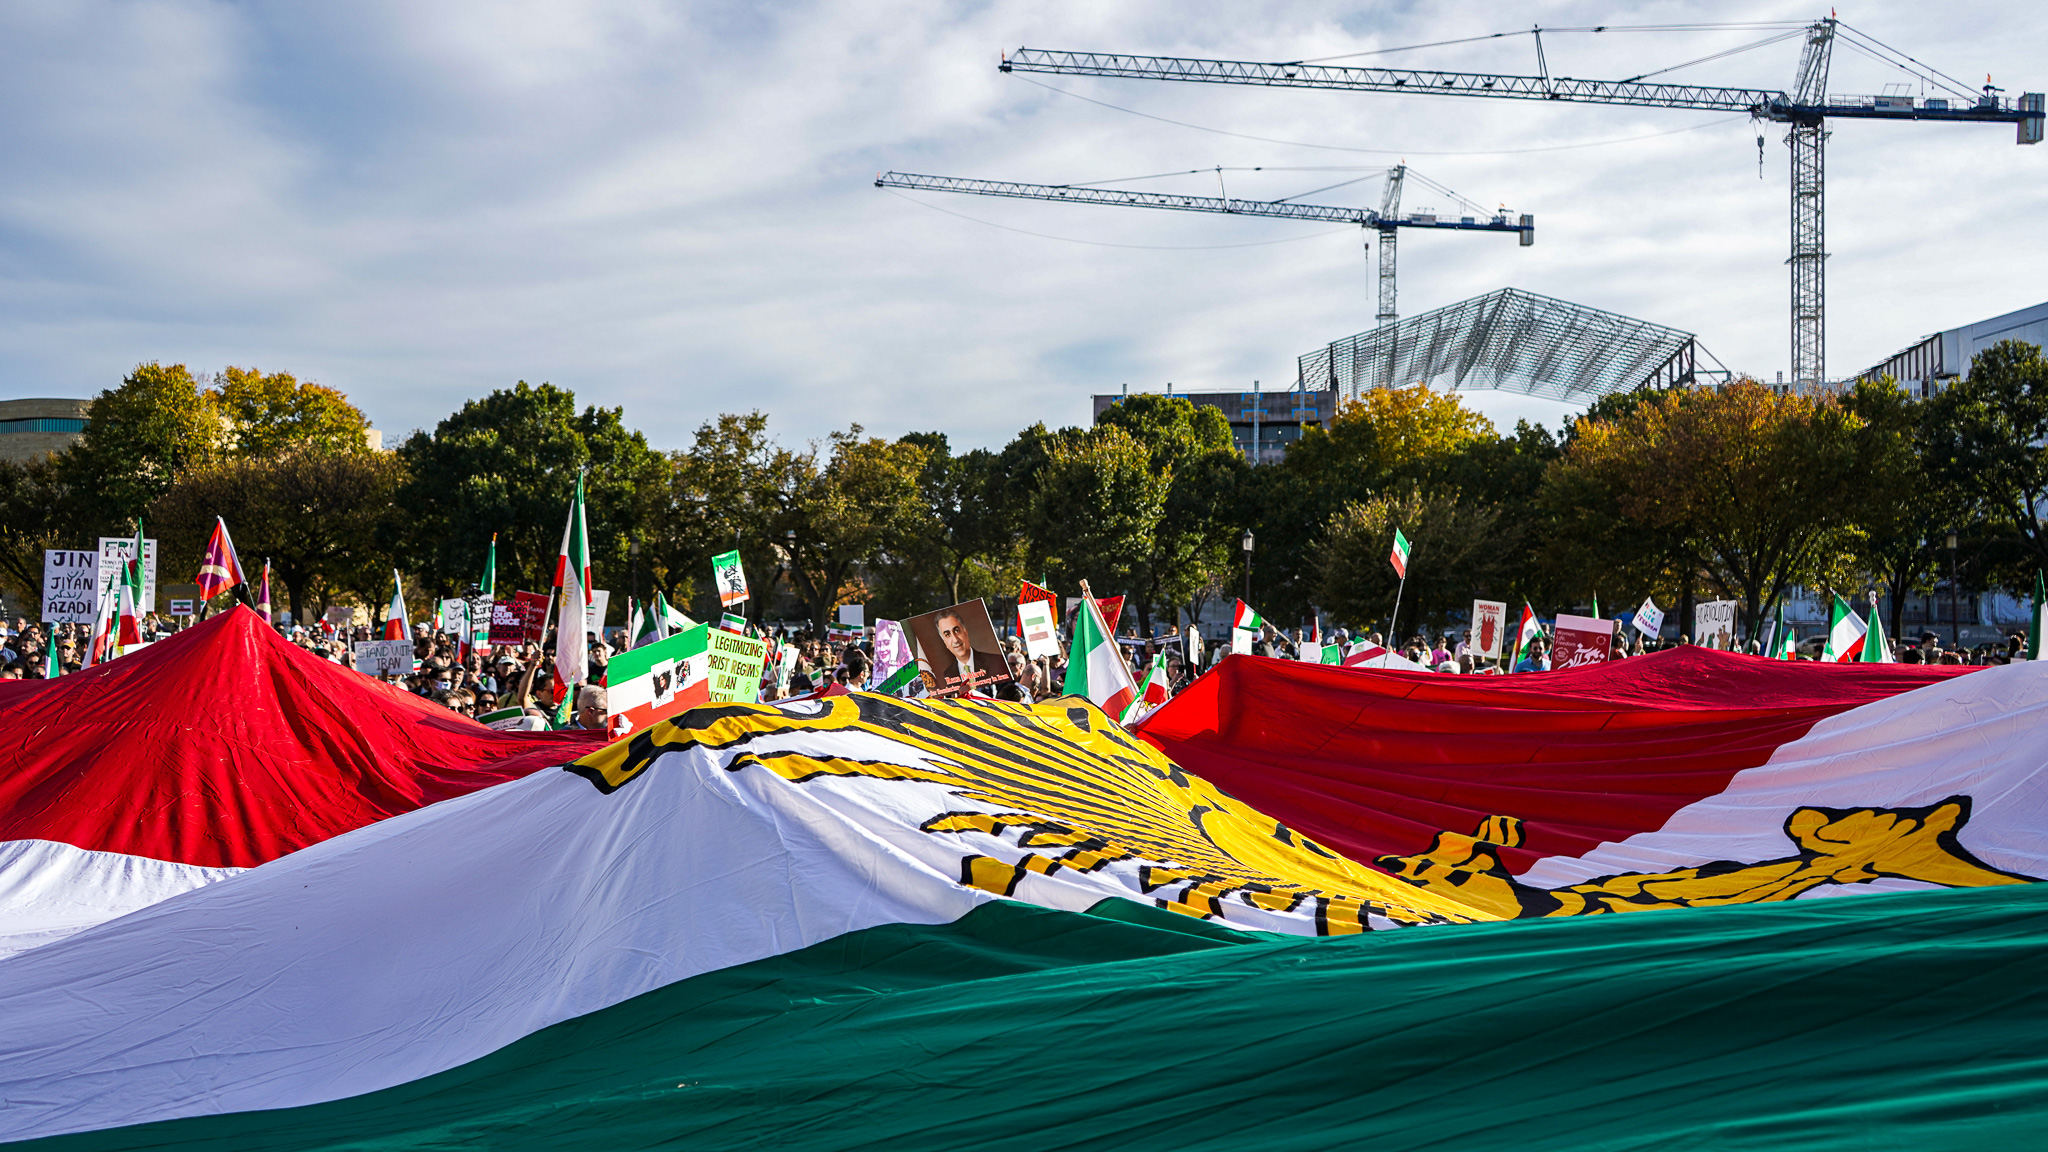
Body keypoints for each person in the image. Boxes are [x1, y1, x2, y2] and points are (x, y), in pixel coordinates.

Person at [920, 608, 1006, 695]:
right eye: (947, 635)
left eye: (957, 631)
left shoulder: (995, 661)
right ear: (944, 641)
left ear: (965, 631)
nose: (955, 640)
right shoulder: (946, 675)